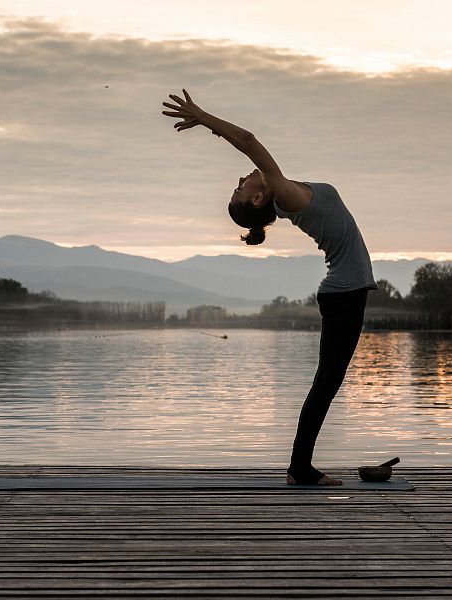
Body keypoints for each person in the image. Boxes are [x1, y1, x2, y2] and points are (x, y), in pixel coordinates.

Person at [161, 89, 378, 487]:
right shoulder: (287, 195)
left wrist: (211, 128)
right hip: (344, 293)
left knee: (327, 381)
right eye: (240, 187)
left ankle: (301, 465)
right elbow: (248, 142)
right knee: (327, 382)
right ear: (260, 197)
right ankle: (300, 467)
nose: (241, 179)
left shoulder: (283, 192)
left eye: (239, 183)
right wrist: (205, 117)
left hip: (344, 291)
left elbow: (246, 148)